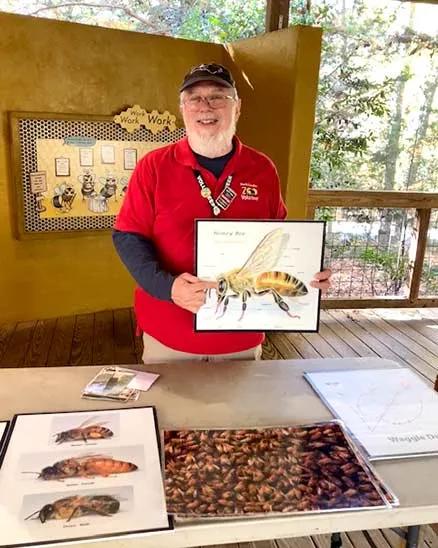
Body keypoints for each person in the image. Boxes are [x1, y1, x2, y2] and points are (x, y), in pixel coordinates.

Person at [112, 62, 331, 364]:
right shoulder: (153, 166)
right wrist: (168, 287)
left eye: (218, 96)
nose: (206, 106)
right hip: (170, 334)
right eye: (194, 98)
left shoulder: (263, 169)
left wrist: (308, 273)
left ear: (237, 107)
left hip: (241, 336)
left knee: (241, 411)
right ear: (182, 108)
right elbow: (127, 236)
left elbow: (281, 239)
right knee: (173, 411)